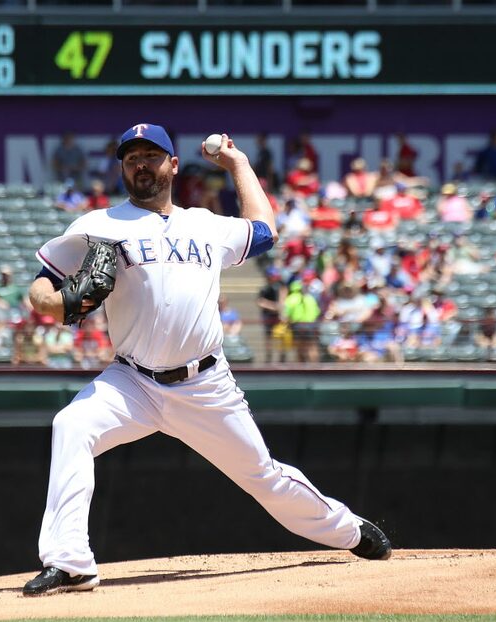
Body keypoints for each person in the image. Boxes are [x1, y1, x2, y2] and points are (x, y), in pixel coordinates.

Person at [22, 123, 391, 596]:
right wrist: (60, 304)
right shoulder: (97, 225)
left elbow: (264, 231)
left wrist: (238, 164)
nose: (140, 163)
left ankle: (348, 530)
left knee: (264, 476)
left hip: (204, 384)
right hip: (132, 381)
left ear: (172, 165)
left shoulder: (206, 224)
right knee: (72, 425)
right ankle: (70, 562)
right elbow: (40, 285)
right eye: (131, 156)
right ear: (121, 167)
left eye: (151, 155)